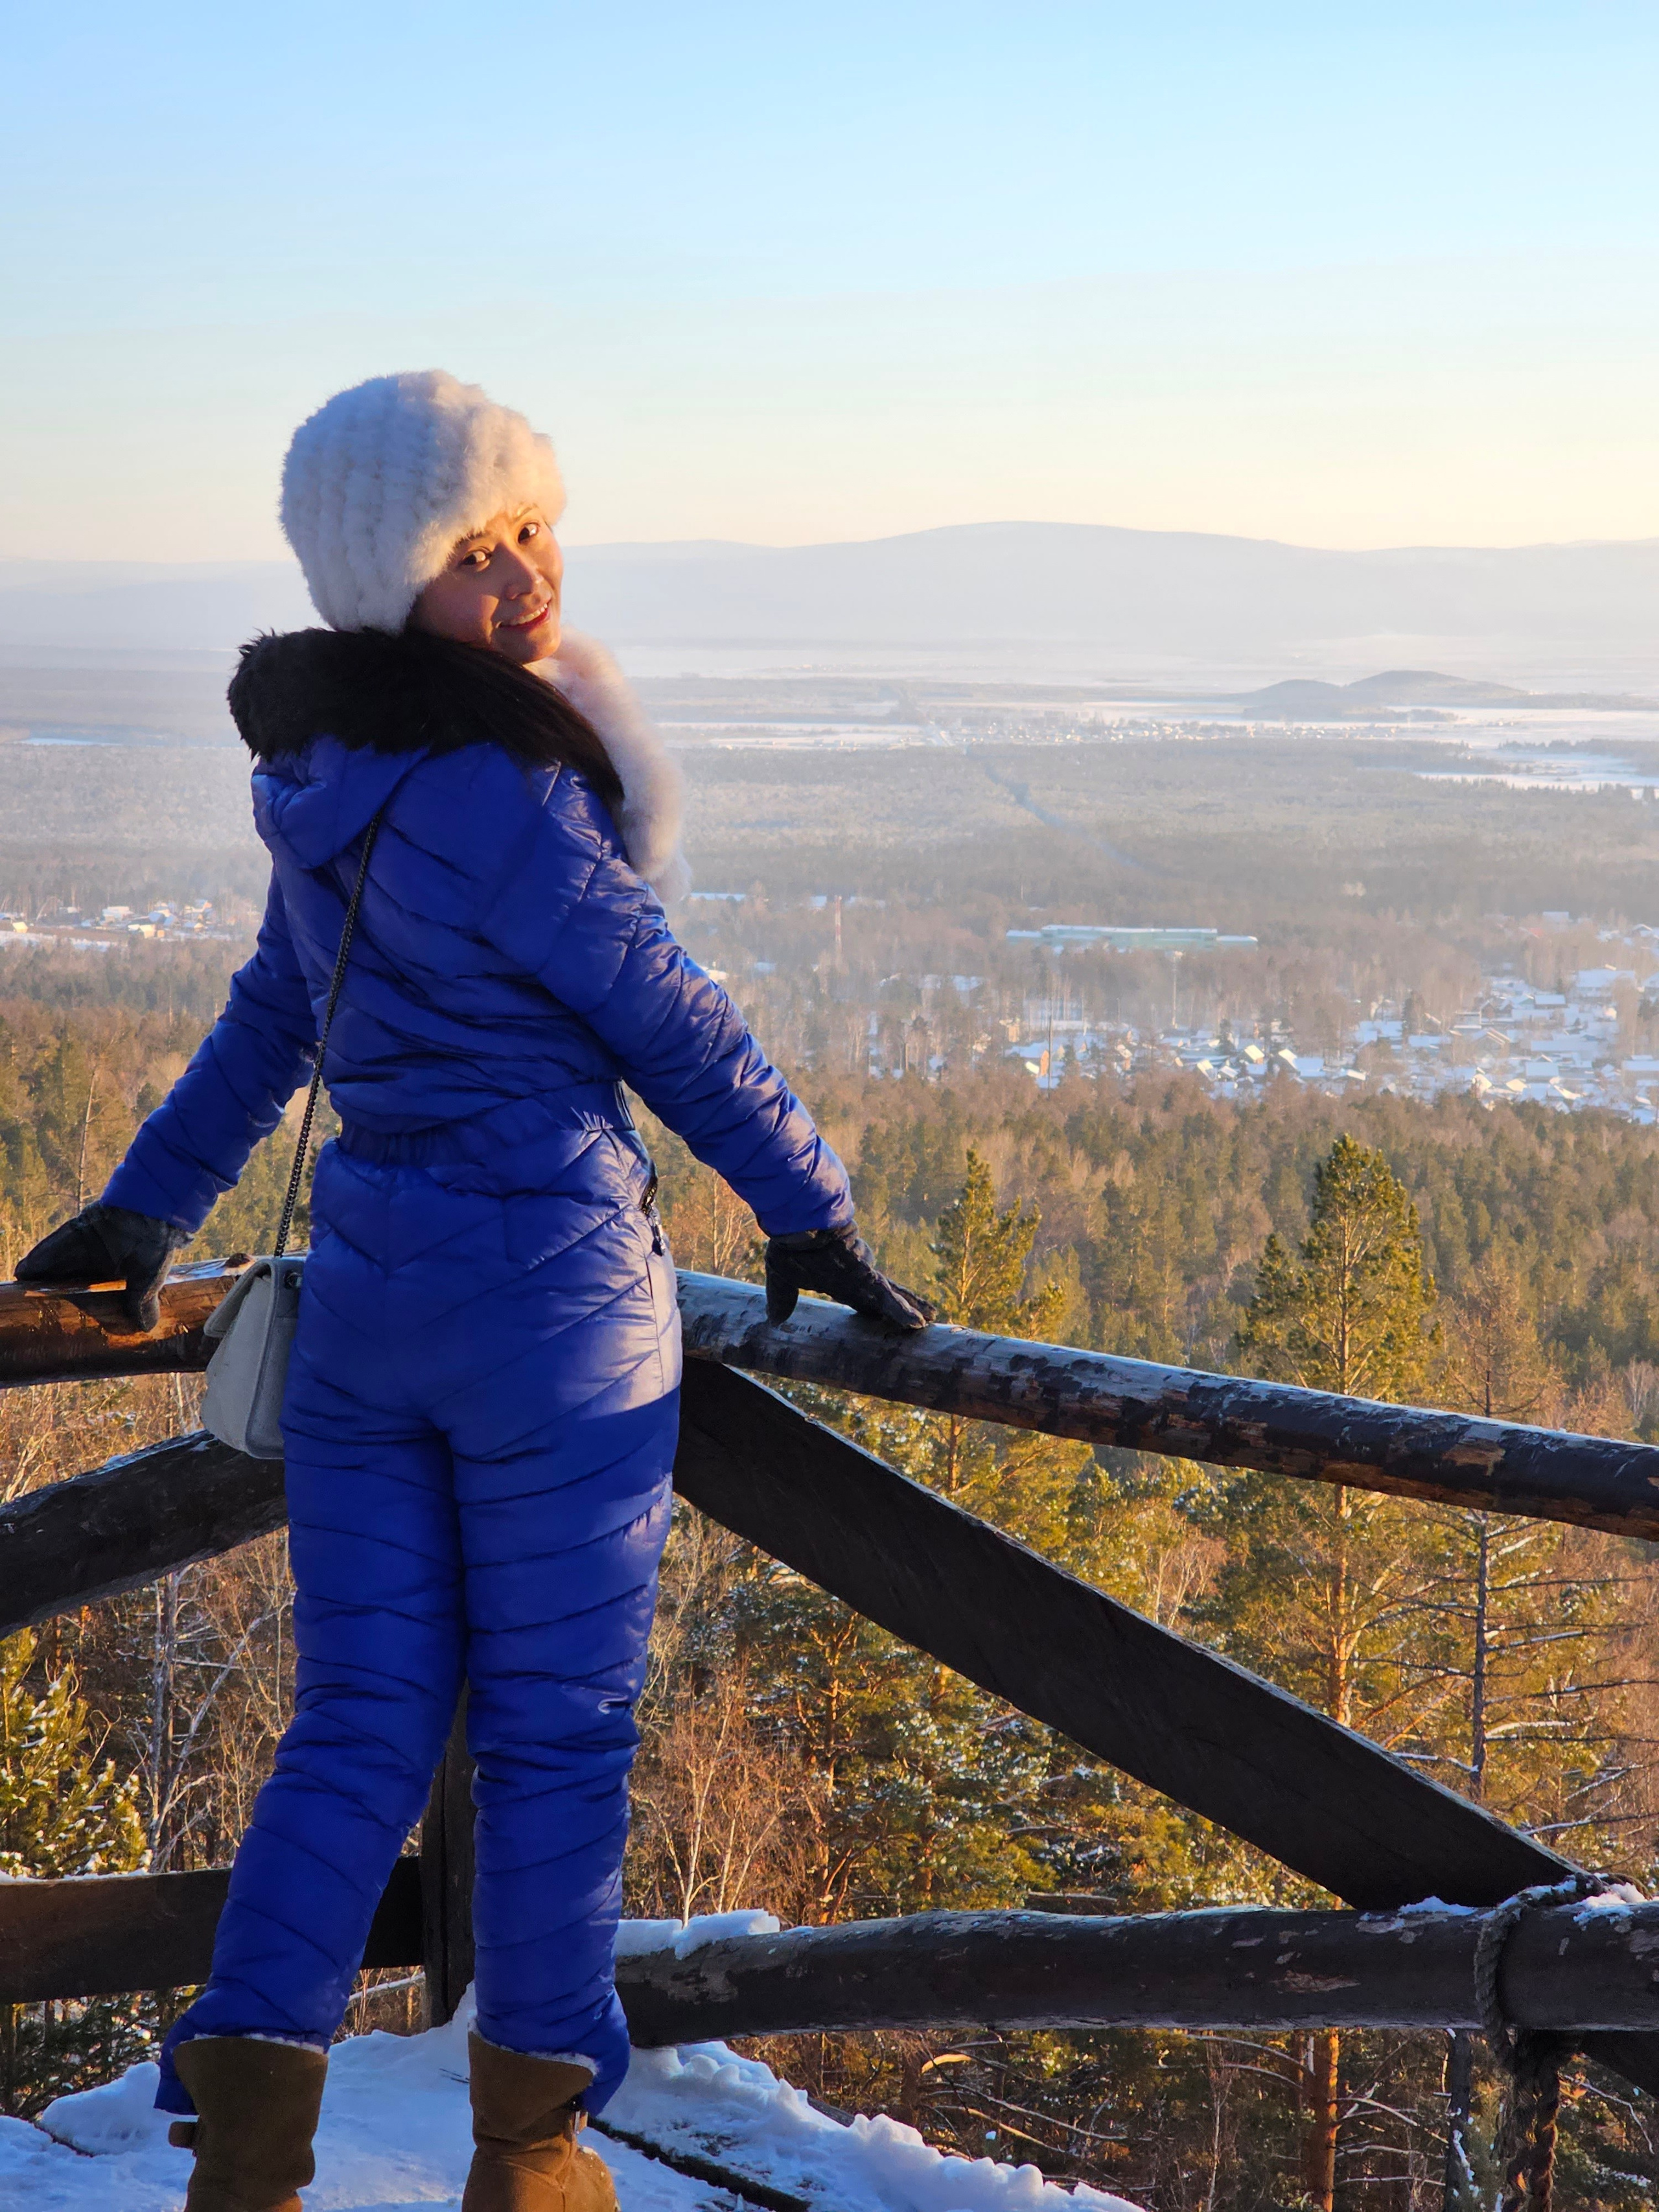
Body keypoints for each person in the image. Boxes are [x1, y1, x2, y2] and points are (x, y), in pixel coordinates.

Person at [16, 370, 931, 2212]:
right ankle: (532, 2154)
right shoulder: (504, 790)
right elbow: (665, 1012)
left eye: (533, 530)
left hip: (368, 1302)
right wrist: (810, 1210)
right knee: (557, 1735)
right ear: (389, 584)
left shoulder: (321, 786)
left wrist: (138, 1213)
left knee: (355, 1721)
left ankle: (253, 2142)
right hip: (553, 1311)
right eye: (472, 551)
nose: (524, 579)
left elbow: (271, 1024)